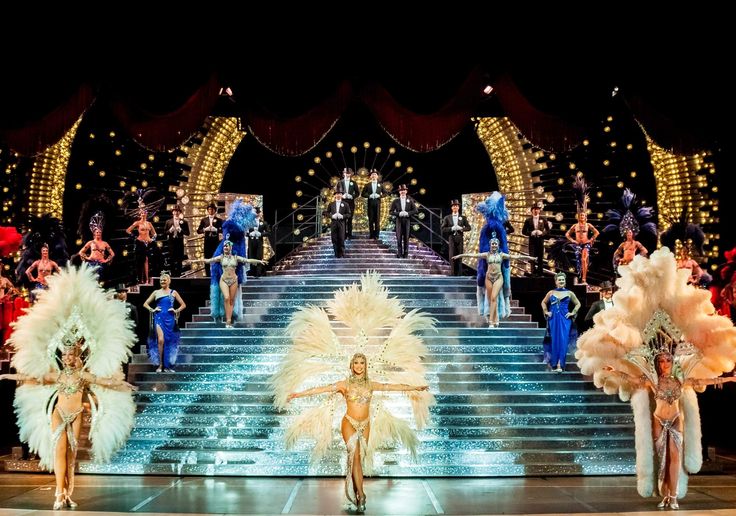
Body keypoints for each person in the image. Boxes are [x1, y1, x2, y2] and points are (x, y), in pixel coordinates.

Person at [0, 263, 137, 511]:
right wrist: (6, 378)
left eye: (72, 354)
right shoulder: (57, 374)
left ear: (78, 355)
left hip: (76, 415)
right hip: (58, 414)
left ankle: (67, 494)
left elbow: (103, 381)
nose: (69, 358)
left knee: (71, 456)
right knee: (59, 451)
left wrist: (121, 384)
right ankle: (57, 492)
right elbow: (33, 378)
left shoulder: (84, 375)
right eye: (66, 354)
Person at [286, 353, 428, 511]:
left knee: (358, 459)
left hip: (365, 424)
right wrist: (298, 394)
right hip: (349, 423)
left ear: (365, 365)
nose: (359, 366)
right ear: (351, 365)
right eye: (356, 363)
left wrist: (414, 388)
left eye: (362, 363)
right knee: (353, 455)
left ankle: (359, 494)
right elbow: (321, 389)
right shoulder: (344, 384)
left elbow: (393, 387)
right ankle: (361, 494)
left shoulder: (371, 384)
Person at [604, 355, 735, 509]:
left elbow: (701, 381)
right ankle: (665, 494)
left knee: (674, 459)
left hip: (675, 420)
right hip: (658, 421)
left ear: (673, 363)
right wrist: (614, 372)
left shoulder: (680, 381)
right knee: (663, 461)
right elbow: (633, 379)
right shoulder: (653, 380)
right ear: (657, 364)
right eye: (661, 361)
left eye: (668, 360)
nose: (665, 364)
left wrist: (728, 380)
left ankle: (673, 497)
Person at [454, 235, 535, 328]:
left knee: (493, 298)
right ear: (490, 245)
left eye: (495, 244)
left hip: (498, 278)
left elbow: (516, 257)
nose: (494, 245)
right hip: (488, 278)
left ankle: (491, 322)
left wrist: (531, 258)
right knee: (491, 300)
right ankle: (496, 319)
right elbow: (472, 255)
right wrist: (459, 256)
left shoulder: (502, 255)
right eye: (492, 244)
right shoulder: (486, 254)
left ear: (498, 245)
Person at [189, 241, 265, 327]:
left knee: (232, 300)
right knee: (226, 297)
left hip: (234, 280)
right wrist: (194, 261)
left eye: (227, 246)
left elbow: (247, 260)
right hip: (224, 280)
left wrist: (259, 261)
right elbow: (208, 260)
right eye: (224, 246)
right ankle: (227, 319)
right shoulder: (220, 257)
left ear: (230, 248)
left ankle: (228, 321)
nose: (225, 247)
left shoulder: (235, 258)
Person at [142, 271, 186, 372]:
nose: (162, 281)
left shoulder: (173, 292)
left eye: (164, 280)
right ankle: (160, 365)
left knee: (169, 341)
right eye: (161, 280)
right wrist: (153, 310)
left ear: (169, 281)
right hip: (159, 318)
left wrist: (176, 310)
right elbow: (145, 304)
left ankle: (167, 366)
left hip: (170, 319)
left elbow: (183, 305)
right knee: (161, 340)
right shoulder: (156, 292)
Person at [540, 272, 581, 372]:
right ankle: (554, 364)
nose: (561, 281)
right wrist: (546, 312)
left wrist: (573, 313)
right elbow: (543, 302)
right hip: (553, 319)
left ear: (565, 281)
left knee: (563, 341)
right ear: (556, 281)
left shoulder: (569, 293)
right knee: (554, 341)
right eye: (560, 280)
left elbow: (578, 304)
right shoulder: (551, 292)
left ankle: (560, 365)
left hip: (565, 319)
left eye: (563, 280)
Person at [565, 177, 599, 285]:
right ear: (578, 217)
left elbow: (597, 232)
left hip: (585, 244)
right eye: (581, 215)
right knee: (579, 262)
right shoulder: (575, 226)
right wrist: (573, 241)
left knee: (584, 260)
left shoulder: (588, 225)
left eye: (584, 215)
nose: (582, 217)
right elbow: (567, 234)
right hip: (577, 245)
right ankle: (580, 277)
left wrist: (591, 239)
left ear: (586, 217)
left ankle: (584, 279)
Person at [441, 199, 471, 276]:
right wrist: (451, 228)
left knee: (460, 255)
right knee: (452, 255)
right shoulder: (447, 217)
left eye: (456, 206)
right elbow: (443, 229)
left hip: (460, 237)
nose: (455, 207)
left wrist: (461, 228)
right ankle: (452, 273)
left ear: (458, 207)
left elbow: (469, 227)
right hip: (451, 237)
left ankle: (459, 274)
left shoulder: (463, 217)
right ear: (452, 207)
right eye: (454, 206)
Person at [126, 210, 156, 285]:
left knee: (146, 260)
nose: (143, 214)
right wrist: (135, 237)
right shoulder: (137, 223)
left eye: (145, 213)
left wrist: (153, 239)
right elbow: (128, 230)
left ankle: (146, 279)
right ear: (140, 214)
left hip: (148, 243)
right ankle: (141, 279)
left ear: (146, 214)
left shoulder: (149, 223)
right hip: (140, 243)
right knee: (141, 261)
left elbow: (154, 233)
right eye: (142, 213)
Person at [521, 202, 551, 276]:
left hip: (540, 241)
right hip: (532, 242)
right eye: (534, 209)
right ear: (532, 210)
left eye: (537, 209)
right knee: (532, 258)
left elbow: (548, 230)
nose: (536, 211)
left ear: (539, 210)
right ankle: (533, 273)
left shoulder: (543, 219)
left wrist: (542, 233)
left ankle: (540, 273)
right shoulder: (528, 220)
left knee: (540, 258)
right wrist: (531, 233)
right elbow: (523, 232)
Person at [389, 184, 418, 258]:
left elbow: (415, 210)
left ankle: (406, 254)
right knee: (399, 237)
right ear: (399, 192)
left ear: (406, 191)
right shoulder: (395, 201)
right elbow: (391, 211)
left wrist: (408, 213)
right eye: (401, 190)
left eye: (404, 190)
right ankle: (399, 253)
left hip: (407, 221)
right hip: (399, 220)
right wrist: (399, 213)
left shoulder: (410, 201)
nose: (402, 192)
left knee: (406, 238)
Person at [325, 187, 352, 258]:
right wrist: (331, 216)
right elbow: (327, 213)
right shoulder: (331, 204)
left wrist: (342, 216)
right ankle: (336, 254)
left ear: (342, 195)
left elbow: (349, 214)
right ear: (335, 195)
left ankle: (342, 253)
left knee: (341, 238)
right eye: (337, 194)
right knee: (334, 238)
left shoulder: (345, 204)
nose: (338, 195)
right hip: (333, 223)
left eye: (340, 194)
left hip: (341, 223)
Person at [196, 203, 223, 276]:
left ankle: (216, 274)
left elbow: (223, 230)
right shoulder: (204, 220)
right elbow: (198, 230)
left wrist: (217, 230)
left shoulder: (219, 220)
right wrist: (204, 230)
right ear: (207, 210)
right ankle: (207, 275)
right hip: (207, 241)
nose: (210, 211)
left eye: (212, 209)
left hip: (215, 241)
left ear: (215, 210)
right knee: (207, 258)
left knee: (216, 257)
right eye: (209, 209)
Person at [163, 205, 190, 277]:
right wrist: (169, 231)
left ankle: (178, 275)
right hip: (171, 243)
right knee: (172, 259)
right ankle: (172, 275)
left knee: (179, 260)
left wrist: (180, 230)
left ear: (180, 212)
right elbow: (164, 233)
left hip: (179, 242)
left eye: (177, 211)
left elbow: (187, 233)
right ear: (172, 212)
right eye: (175, 211)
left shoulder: (184, 222)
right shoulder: (168, 221)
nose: (176, 212)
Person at [360, 169, 384, 239]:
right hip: (370, 204)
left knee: (377, 220)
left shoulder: (380, 185)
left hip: (377, 204)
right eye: (372, 175)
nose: (373, 176)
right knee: (370, 220)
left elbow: (385, 193)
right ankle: (371, 234)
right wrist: (369, 195)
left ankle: (376, 235)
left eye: (375, 174)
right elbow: (363, 194)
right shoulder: (367, 185)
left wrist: (379, 195)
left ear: (377, 176)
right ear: (370, 176)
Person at [247, 207, 270, 277]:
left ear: (259, 213)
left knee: (259, 256)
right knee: (251, 256)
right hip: (251, 242)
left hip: (259, 242)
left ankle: (258, 273)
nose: (256, 214)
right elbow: (244, 232)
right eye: (255, 213)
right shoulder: (249, 222)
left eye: (257, 212)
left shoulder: (263, 223)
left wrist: (261, 234)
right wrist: (249, 234)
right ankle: (252, 272)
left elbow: (269, 232)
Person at [339, 168, 360, 239]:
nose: (347, 174)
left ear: (350, 174)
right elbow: (335, 192)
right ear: (343, 174)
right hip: (342, 203)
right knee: (343, 219)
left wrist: (352, 196)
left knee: (350, 219)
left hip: (351, 203)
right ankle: (343, 235)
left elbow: (358, 193)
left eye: (348, 173)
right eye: (346, 173)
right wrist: (342, 195)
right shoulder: (340, 182)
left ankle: (350, 235)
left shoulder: (353, 182)